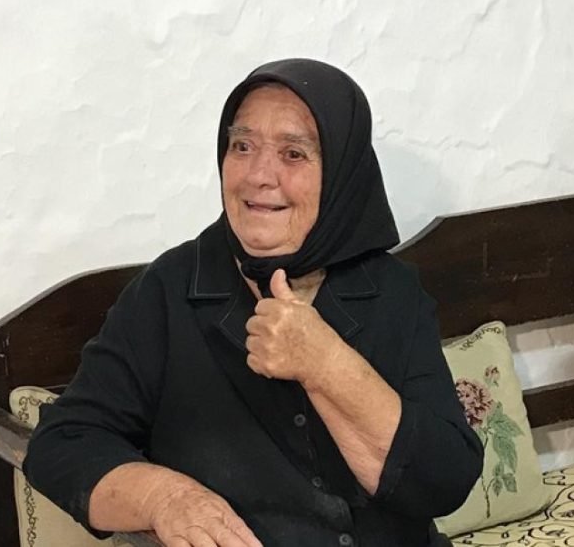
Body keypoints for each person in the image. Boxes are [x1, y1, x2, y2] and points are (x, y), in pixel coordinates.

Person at [24, 59, 483, 547]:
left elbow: (445, 479)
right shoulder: (169, 291)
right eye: (242, 146)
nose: (259, 175)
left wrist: (325, 363)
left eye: (293, 154)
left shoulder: (390, 289)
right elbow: (62, 444)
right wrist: (163, 497)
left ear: (342, 175)